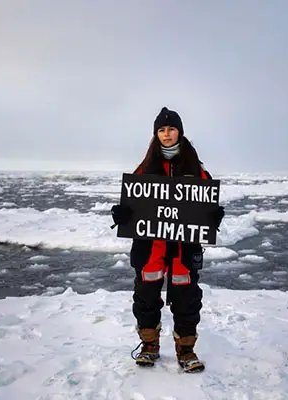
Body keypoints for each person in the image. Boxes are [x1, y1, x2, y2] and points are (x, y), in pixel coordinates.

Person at [110, 106, 224, 373]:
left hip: (183, 248)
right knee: (146, 296)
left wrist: (213, 216)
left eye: (171, 129)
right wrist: (123, 214)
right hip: (151, 248)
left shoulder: (195, 168)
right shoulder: (146, 167)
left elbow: (204, 201)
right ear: (156, 134)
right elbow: (134, 202)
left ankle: (186, 350)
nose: (167, 134)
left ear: (180, 132)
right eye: (161, 129)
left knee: (187, 298)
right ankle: (149, 346)